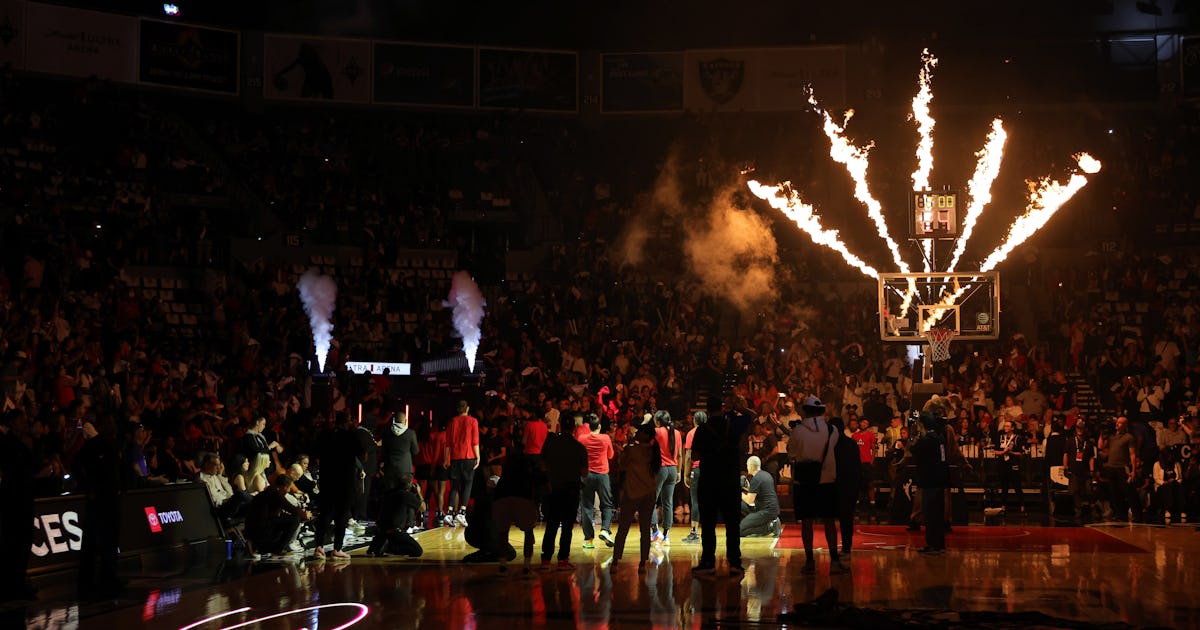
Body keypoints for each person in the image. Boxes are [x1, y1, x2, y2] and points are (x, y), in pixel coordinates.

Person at [692, 396, 754, 577]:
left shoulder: (702, 429)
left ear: (707, 410)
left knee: (709, 524)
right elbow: (751, 418)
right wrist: (738, 407)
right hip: (730, 481)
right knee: (732, 524)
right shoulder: (732, 425)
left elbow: (695, 455)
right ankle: (735, 563)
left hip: (709, 481)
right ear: (722, 407)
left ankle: (708, 562)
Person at [787, 396, 845, 574]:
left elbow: (792, 453)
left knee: (807, 522)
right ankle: (834, 561)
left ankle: (810, 561)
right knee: (829, 521)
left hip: (804, 482)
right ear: (822, 411)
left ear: (805, 411)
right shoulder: (832, 430)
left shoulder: (797, 431)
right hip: (827, 481)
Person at [75, 418, 124, 599]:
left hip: (111, 500)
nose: (113, 426)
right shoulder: (94, 446)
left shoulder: (114, 445)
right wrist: (89, 490)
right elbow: (78, 467)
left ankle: (108, 578)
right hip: (99, 502)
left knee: (110, 541)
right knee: (93, 541)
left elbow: (118, 471)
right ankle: (88, 582)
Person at [313, 413, 364, 561]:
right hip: (345, 480)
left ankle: (319, 547)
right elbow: (363, 455)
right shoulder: (351, 436)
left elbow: (315, 454)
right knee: (342, 514)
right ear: (347, 422)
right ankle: (337, 549)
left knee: (325, 513)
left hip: (327, 479)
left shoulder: (324, 434)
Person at [540, 415, 588, 570]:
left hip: (553, 488)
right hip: (571, 489)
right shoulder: (578, 447)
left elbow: (542, 464)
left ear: (560, 425)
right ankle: (562, 560)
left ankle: (546, 560)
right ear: (574, 428)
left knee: (552, 524)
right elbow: (585, 472)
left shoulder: (550, 444)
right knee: (567, 526)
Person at [612, 420, 660, 573]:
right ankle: (642, 563)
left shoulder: (632, 449)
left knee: (623, 529)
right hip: (649, 494)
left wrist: (625, 448)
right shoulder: (653, 451)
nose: (637, 432)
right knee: (645, 530)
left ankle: (615, 561)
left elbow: (622, 464)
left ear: (645, 434)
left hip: (632, 493)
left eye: (640, 431)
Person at [0, 410, 37, 601]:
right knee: (12, 544)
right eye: (22, 420)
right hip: (12, 501)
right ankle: (10, 585)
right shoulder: (7, 444)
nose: (26, 423)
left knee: (22, 544)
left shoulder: (23, 444)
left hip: (24, 499)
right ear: (13, 423)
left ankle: (18, 582)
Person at [913, 399, 951, 554]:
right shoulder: (940, 438)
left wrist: (916, 435)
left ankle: (933, 544)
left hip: (930, 481)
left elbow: (914, 449)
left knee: (930, 515)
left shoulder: (927, 440)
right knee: (938, 515)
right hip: (940, 479)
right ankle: (939, 544)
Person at [493, 451, 540, 574]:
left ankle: (503, 565)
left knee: (503, 534)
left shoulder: (507, 470)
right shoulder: (528, 469)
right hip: (523, 498)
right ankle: (526, 565)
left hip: (502, 499)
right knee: (528, 532)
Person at [245, 474, 312, 557]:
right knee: (295, 519)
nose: (289, 490)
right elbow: (290, 507)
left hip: (257, 526)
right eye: (289, 488)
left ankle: (273, 548)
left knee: (291, 518)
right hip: (259, 527)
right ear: (284, 487)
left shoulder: (269, 491)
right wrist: (305, 514)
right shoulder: (275, 493)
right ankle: (277, 550)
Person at [578, 412, 616, 549]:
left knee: (586, 506)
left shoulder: (582, 438)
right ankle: (605, 530)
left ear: (589, 427)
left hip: (586, 475)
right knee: (606, 505)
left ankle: (588, 539)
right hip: (602, 475)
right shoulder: (605, 438)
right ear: (599, 426)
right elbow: (611, 455)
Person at [444, 400, 480, 527]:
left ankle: (449, 512)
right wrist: (478, 456)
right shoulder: (473, 421)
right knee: (468, 484)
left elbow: (447, 442)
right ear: (467, 408)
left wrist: (446, 458)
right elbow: (475, 441)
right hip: (468, 456)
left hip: (455, 457)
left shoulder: (452, 421)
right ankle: (462, 512)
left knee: (454, 486)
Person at [650, 410, 683, 545]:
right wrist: (679, 472)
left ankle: (655, 531)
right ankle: (666, 536)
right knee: (668, 503)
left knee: (651, 501)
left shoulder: (657, 432)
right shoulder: (677, 433)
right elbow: (680, 454)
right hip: (673, 470)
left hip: (660, 469)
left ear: (658, 421)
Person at [830, 417, 861, 555]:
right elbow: (857, 466)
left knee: (830, 518)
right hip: (850, 484)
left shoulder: (831, 444)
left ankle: (834, 548)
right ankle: (846, 546)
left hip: (836, 484)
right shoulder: (852, 443)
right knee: (847, 517)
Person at [1100, 416, 1138, 521]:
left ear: (1125, 425)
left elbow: (1132, 454)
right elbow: (1100, 446)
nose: (1117, 424)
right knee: (1114, 492)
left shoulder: (1128, 437)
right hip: (1111, 468)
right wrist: (1101, 432)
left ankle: (1136, 513)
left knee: (1128, 491)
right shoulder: (1112, 437)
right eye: (1117, 422)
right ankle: (1120, 514)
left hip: (1122, 467)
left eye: (1120, 423)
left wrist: (1133, 470)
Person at [739, 455, 781, 537]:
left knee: (740, 531)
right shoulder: (766, 475)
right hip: (771, 509)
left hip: (765, 511)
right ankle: (770, 522)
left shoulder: (756, 479)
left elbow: (749, 500)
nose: (747, 467)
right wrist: (745, 487)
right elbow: (758, 491)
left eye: (747, 465)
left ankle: (770, 526)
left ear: (751, 466)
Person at [680, 411, 706, 543]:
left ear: (695, 421)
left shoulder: (692, 433)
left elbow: (689, 455)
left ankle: (694, 532)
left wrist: (685, 474)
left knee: (695, 501)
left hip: (697, 469)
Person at [1064, 421, 1098, 520]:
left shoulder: (1089, 443)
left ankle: (1093, 508)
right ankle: (1078, 509)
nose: (1080, 430)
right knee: (1075, 491)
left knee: (1089, 490)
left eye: (1082, 428)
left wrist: (1092, 470)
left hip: (1086, 471)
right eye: (1078, 428)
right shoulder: (1070, 441)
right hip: (1074, 471)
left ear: (1085, 429)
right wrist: (1065, 467)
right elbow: (1065, 454)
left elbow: (1091, 457)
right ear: (1076, 429)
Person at [993, 420, 1025, 512]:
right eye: (1005, 426)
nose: (1005, 428)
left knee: (1017, 486)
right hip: (1003, 465)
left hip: (1013, 464)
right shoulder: (1000, 437)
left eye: (1007, 426)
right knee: (1004, 487)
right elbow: (995, 451)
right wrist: (1003, 452)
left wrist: (1011, 452)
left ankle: (1022, 507)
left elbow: (1021, 454)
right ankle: (1003, 507)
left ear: (1012, 428)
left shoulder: (1017, 438)